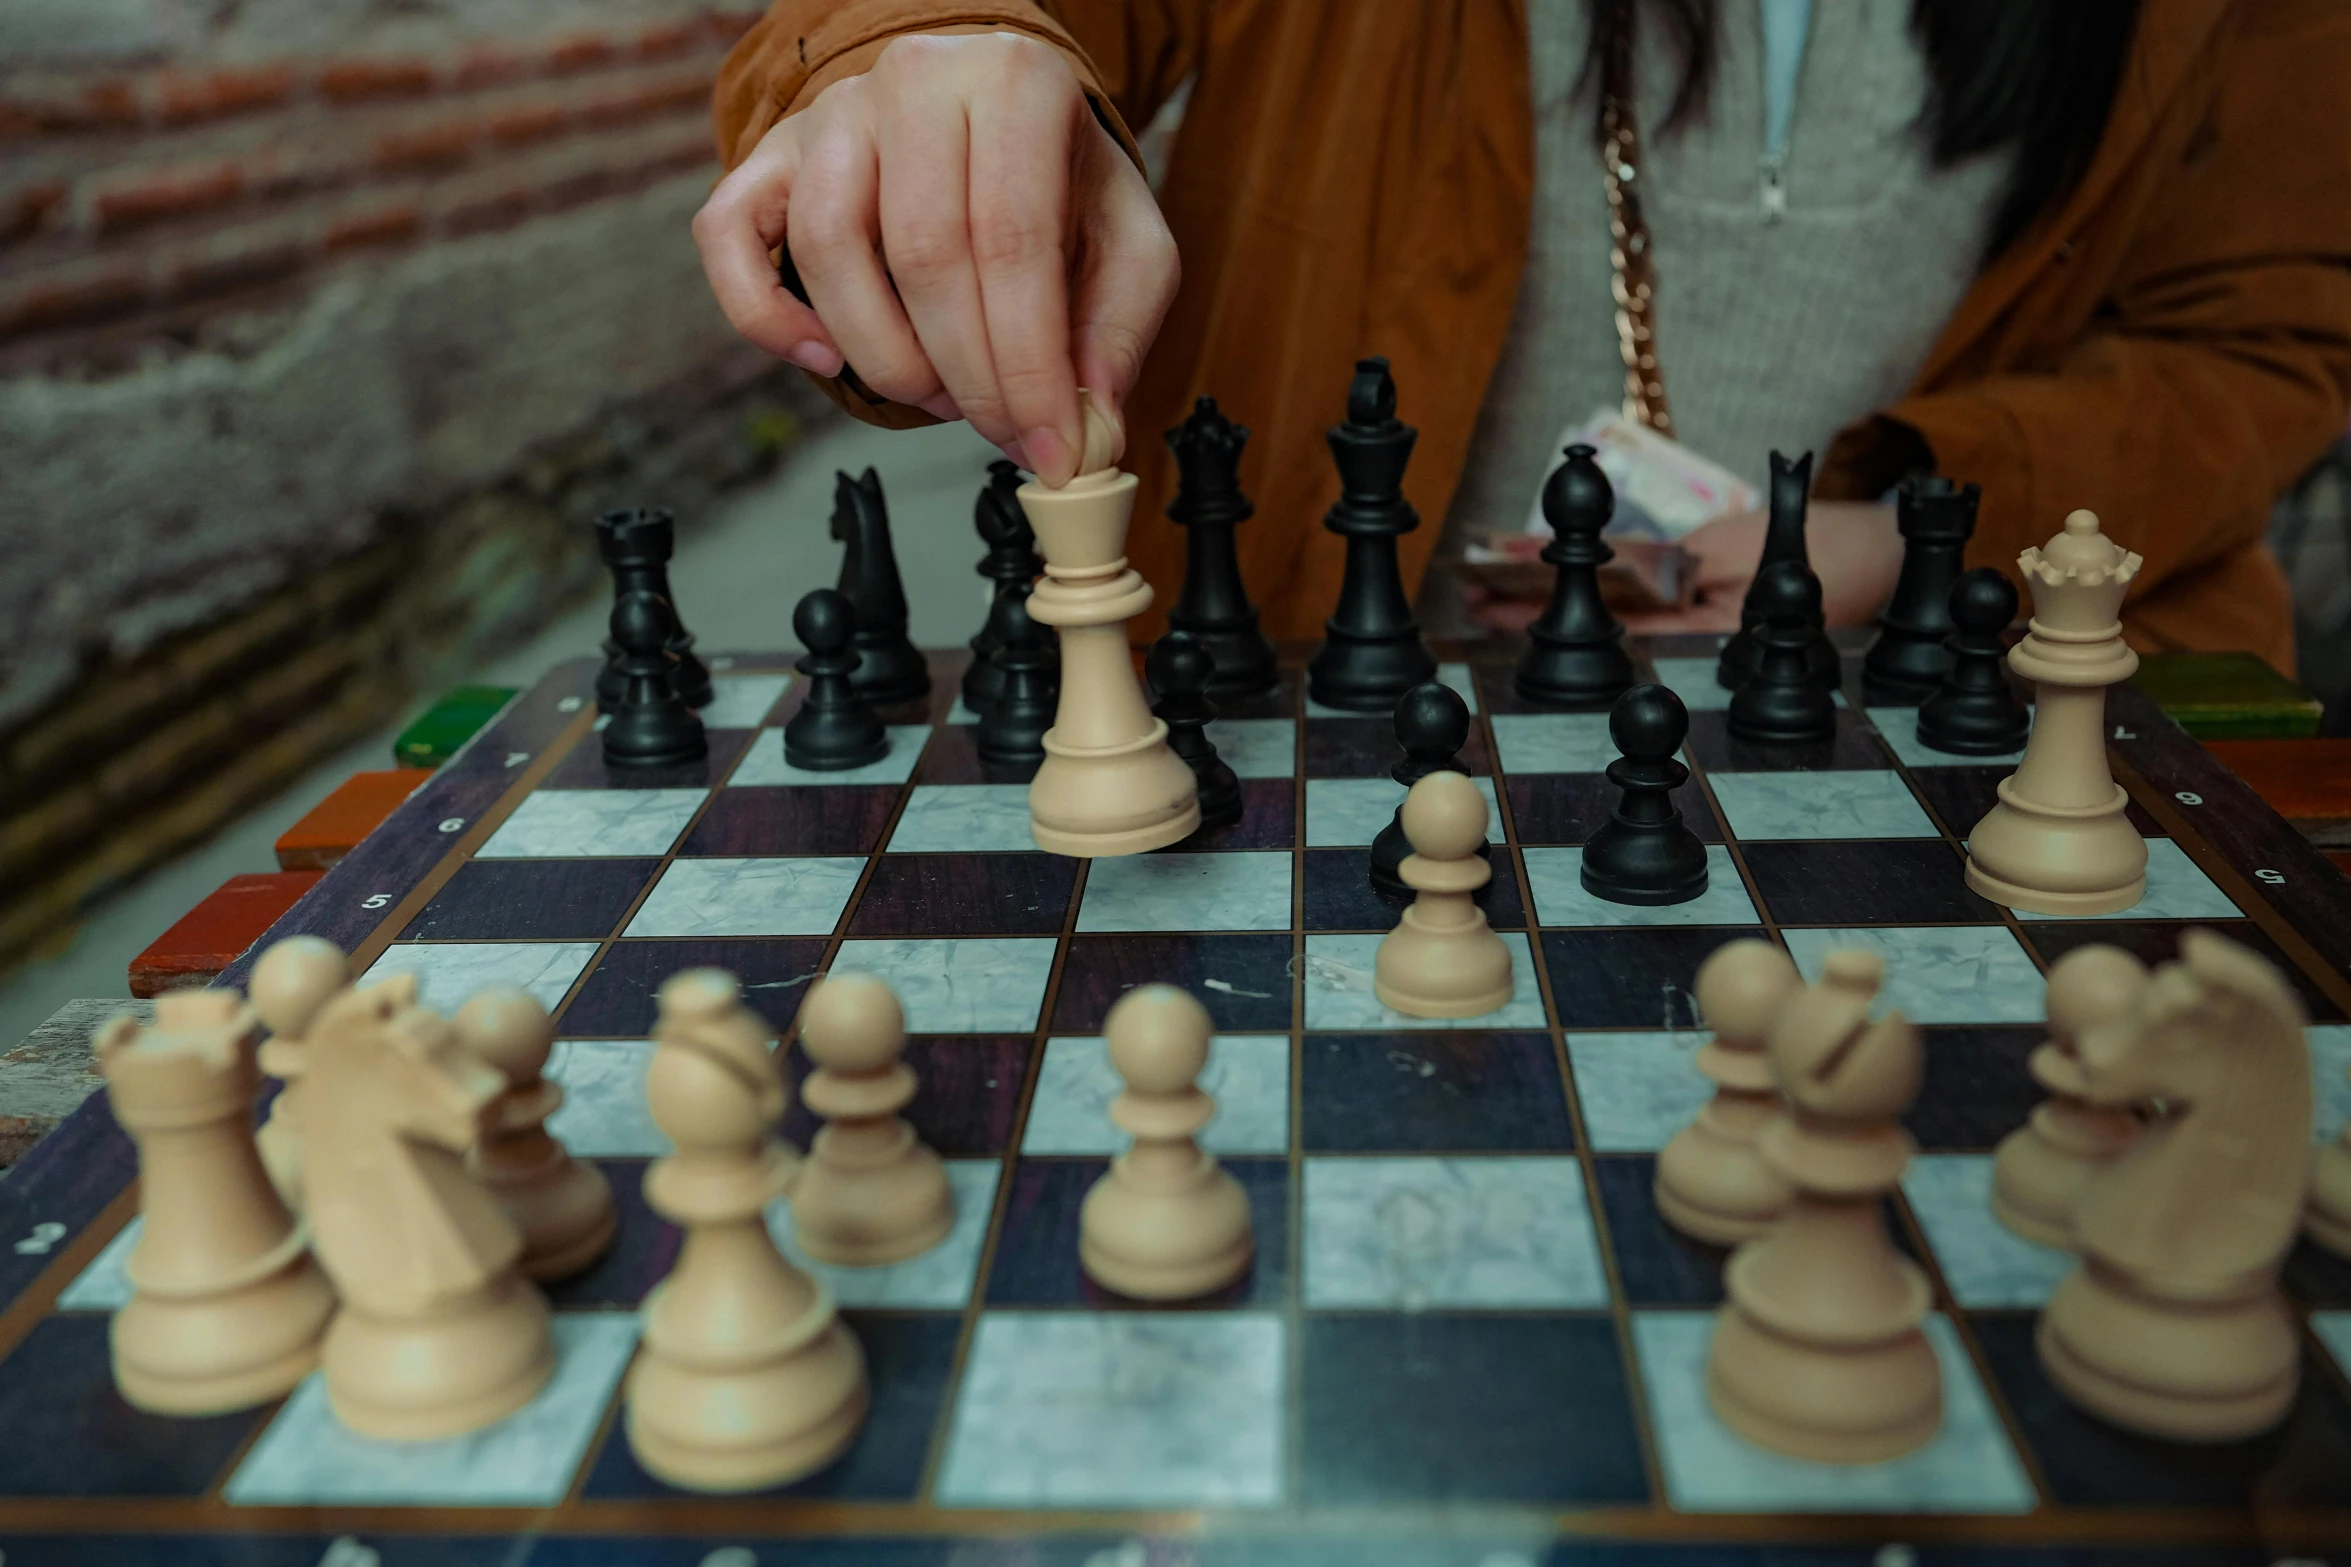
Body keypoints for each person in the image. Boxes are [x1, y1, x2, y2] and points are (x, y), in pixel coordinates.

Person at [694, 0, 2351, 672]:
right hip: (1348, 697)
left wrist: (1896, 536)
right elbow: (956, 16)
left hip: (1951, 709)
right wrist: (924, 44)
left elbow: (2266, 337)